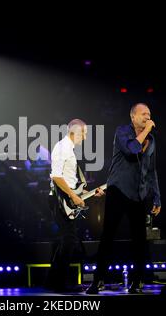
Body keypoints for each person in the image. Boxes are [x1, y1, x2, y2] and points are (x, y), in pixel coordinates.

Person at [87, 103, 161, 294]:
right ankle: (98, 280)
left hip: (139, 193)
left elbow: (152, 171)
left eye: (149, 115)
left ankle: (137, 282)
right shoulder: (122, 132)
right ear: (133, 117)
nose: (148, 117)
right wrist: (146, 131)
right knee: (108, 236)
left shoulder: (151, 140)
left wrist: (157, 198)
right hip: (118, 189)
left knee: (139, 240)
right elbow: (132, 150)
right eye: (144, 114)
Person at [46, 119, 104, 292]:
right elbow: (56, 177)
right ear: (75, 132)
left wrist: (88, 192)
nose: (85, 138)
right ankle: (57, 283)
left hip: (67, 197)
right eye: (84, 133)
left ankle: (53, 281)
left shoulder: (69, 149)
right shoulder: (62, 147)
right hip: (60, 199)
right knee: (69, 240)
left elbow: (69, 180)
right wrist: (73, 196)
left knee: (68, 240)